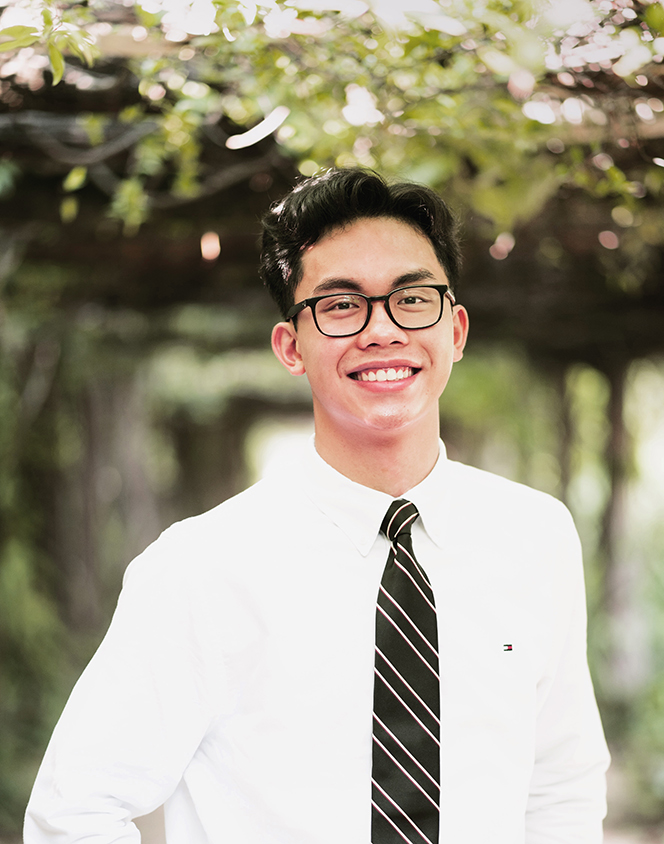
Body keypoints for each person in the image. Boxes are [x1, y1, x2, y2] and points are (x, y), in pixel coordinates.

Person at [24, 168, 610, 843]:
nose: (383, 330)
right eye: (340, 306)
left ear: (455, 330)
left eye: (412, 297)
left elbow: (560, 785)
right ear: (290, 347)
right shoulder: (200, 567)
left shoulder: (536, 535)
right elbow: (74, 811)